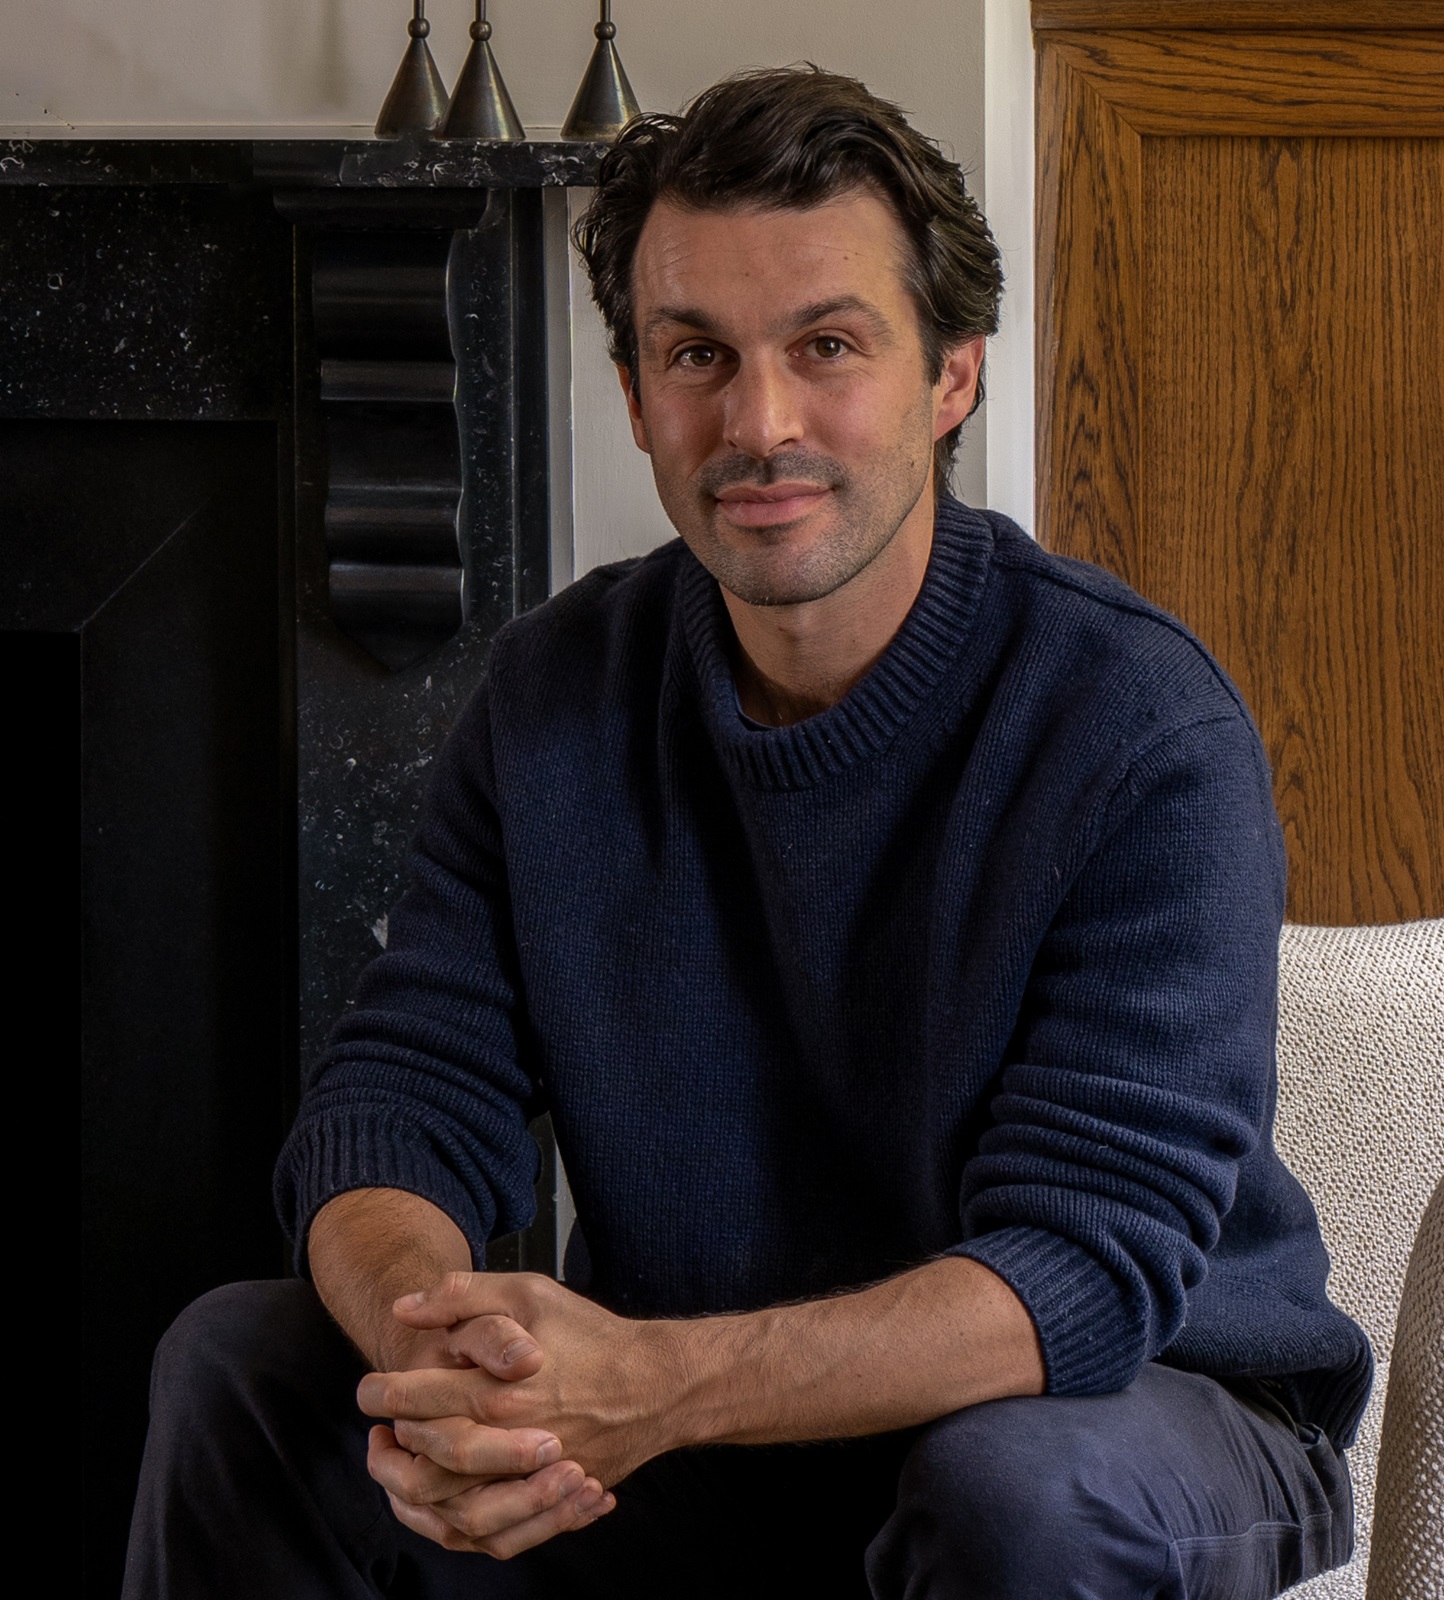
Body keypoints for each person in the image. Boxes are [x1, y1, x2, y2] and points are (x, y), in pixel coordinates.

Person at [125, 67, 1371, 1600]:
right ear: (637, 395)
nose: (757, 423)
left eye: (826, 346)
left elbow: (1084, 1273)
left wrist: (651, 1384)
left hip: (1136, 1419)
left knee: (1013, 1487)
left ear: (952, 376)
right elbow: (400, 1103)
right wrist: (443, 1354)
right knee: (242, 1367)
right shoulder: (555, 698)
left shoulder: (1134, 725)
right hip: (695, 1430)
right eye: (697, 353)